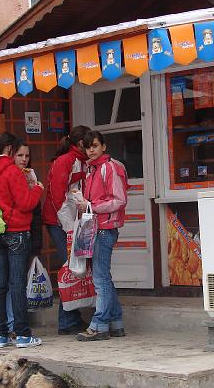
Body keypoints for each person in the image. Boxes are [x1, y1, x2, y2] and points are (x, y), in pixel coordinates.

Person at [0, 132, 44, 348]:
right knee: (17, 284)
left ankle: (0, 335)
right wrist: (37, 189)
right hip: (16, 232)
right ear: (8, 150)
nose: (19, 155)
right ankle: (23, 335)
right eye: (16, 151)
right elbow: (25, 203)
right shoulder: (11, 171)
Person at [76, 130, 128, 342]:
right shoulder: (92, 169)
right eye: (88, 146)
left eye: (95, 145)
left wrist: (90, 206)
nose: (91, 150)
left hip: (105, 228)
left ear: (104, 147)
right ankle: (115, 322)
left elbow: (119, 199)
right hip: (95, 227)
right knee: (103, 276)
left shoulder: (109, 168)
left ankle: (99, 324)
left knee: (100, 278)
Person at [42, 125, 90, 335]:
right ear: (80, 143)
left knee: (70, 267)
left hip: (70, 221)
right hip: (61, 222)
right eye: (89, 143)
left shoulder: (79, 160)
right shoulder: (66, 161)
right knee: (70, 268)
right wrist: (71, 229)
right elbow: (57, 196)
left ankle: (69, 319)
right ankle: (67, 321)